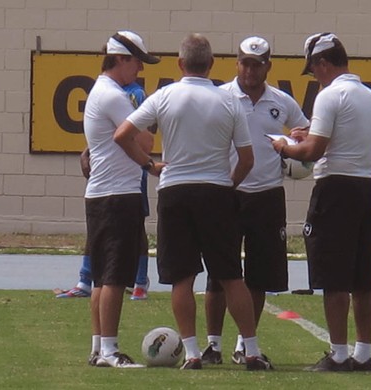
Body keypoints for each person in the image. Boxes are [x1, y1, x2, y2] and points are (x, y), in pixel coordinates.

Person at [114, 33, 272, 371]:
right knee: (231, 276)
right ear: (212, 65)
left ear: (181, 64)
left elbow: (122, 135)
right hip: (215, 191)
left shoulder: (165, 96)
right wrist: (228, 185)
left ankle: (192, 352)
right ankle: (253, 350)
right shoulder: (228, 100)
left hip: (175, 191)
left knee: (182, 277)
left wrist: (149, 165)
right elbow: (246, 159)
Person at [271, 32, 371, 372]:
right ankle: (363, 353)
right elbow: (337, 138)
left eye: (314, 69)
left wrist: (285, 147)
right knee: (363, 277)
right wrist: (307, 138)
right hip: (366, 186)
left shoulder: (330, 96)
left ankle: (337, 353)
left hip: (336, 188)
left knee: (335, 276)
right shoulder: (369, 97)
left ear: (322, 63)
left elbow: (314, 151)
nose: (314, 76)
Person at [200, 37, 309, 366]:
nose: (250, 69)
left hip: (267, 196)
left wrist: (298, 139)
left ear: (267, 66)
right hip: (227, 193)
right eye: (245, 62)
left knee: (259, 276)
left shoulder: (281, 101)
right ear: (236, 63)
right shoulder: (220, 97)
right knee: (219, 274)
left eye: (257, 63)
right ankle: (213, 344)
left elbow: (304, 129)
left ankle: (243, 344)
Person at [82, 30, 160, 368]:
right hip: (117, 195)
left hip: (102, 194)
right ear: (121, 59)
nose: (139, 71)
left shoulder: (103, 92)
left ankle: (99, 347)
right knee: (114, 276)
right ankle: (110, 351)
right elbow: (143, 143)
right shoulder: (114, 96)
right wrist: (149, 162)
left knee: (102, 276)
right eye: (137, 63)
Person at [56, 82, 152, 301]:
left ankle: (140, 280)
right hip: (104, 175)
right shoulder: (103, 92)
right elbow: (102, 133)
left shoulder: (134, 94)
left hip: (129, 171)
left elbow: (139, 135)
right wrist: (87, 152)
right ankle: (86, 278)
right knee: (97, 226)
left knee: (137, 227)